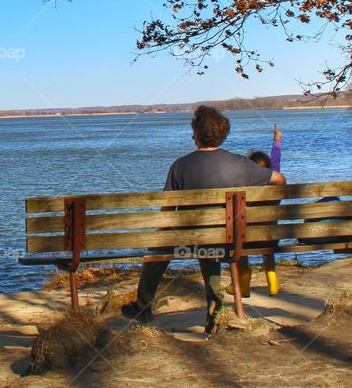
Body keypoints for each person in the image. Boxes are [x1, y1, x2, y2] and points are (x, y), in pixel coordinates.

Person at [121, 106, 286, 335]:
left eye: (193, 131)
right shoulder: (241, 164)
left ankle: (144, 304)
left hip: (196, 241)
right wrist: (260, 208)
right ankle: (215, 307)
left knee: (163, 244)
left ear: (198, 134)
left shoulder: (180, 165)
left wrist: (165, 233)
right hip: (234, 240)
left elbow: (167, 212)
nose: (191, 135)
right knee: (213, 240)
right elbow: (279, 180)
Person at [227, 126, 283, 298]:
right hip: (270, 239)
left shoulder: (242, 190)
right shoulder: (276, 187)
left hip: (245, 240)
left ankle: (243, 283)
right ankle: (272, 280)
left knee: (239, 239)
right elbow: (276, 161)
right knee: (267, 236)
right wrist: (277, 141)